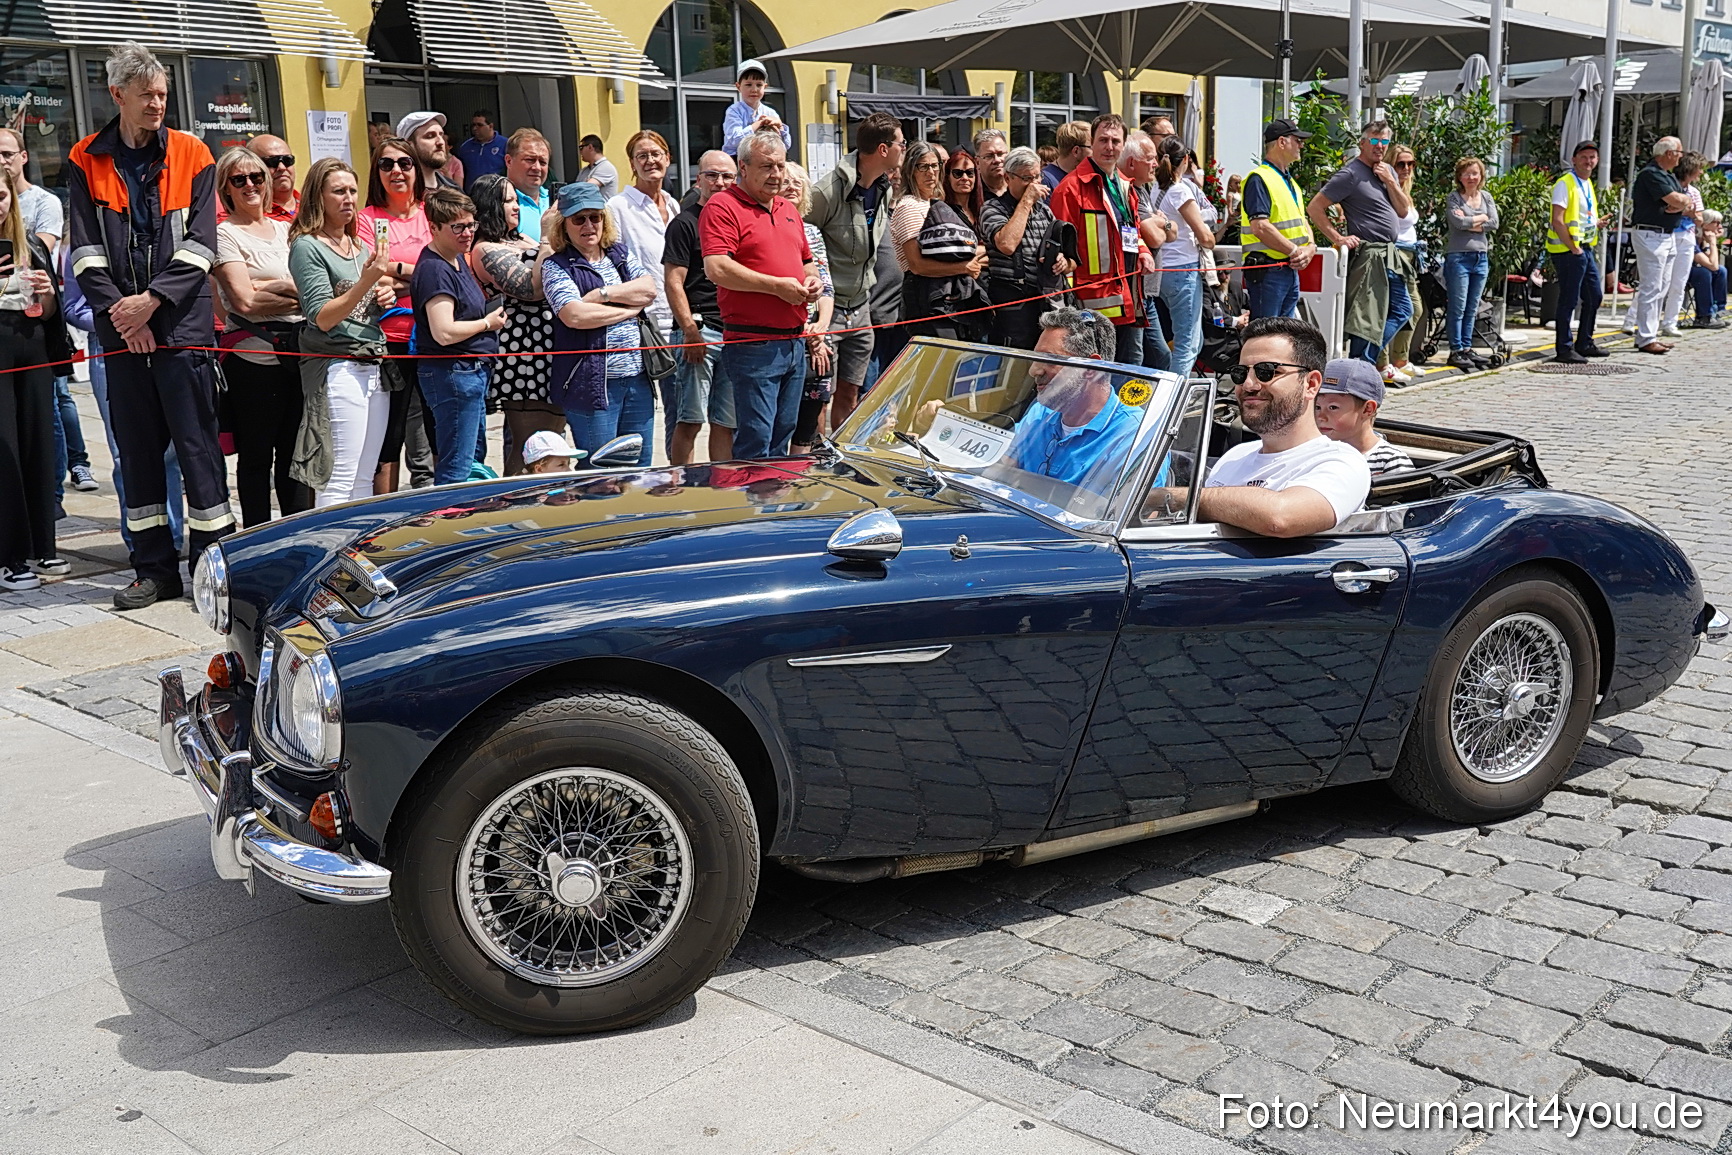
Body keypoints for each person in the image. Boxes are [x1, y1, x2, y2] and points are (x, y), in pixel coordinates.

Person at [68, 41, 233, 610]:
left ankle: (213, 568)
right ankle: (153, 570)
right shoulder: (84, 157)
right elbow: (84, 251)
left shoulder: (194, 152)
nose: (158, 104)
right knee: (137, 456)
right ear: (117, 95)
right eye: (146, 96)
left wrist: (151, 303)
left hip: (183, 328)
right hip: (123, 333)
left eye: (162, 94)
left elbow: (202, 244)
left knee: (198, 451)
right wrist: (125, 315)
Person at [1148, 316, 1369, 537]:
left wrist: (1172, 498)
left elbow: (1281, 518)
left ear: (1310, 384)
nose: (1248, 385)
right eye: (1240, 373)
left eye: (1267, 372)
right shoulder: (1234, 456)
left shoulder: (1342, 462)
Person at [701, 131, 821, 459]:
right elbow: (717, 267)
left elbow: (807, 263)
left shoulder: (787, 208)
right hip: (753, 343)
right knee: (757, 438)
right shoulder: (722, 205)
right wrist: (777, 287)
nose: (776, 174)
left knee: (783, 434)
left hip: (794, 341)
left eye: (780, 166)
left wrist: (812, 283)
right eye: (767, 166)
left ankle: (775, 491)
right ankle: (753, 493)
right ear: (743, 167)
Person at [289, 157, 397, 508]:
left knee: (365, 477)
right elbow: (321, 316)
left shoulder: (359, 246)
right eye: (338, 191)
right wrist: (368, 281)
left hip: (373, 362)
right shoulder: (307, 246)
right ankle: (330, 542)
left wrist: (383, 296)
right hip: (337, 365)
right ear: (317, 197)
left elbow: (361, 305)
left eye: (352, 190)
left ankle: (356, 542)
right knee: (338, 479)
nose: (349, 198)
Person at [212, 146, 311, 526]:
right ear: (226, 188)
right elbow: (243, 301)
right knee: (256, 458)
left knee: (295, 457)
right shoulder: (224, 234)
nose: (250, 185)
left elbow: (315, 286)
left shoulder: (287, 229)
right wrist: (292, 289)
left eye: (256, 177)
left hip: (298, 356)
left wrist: (269, 287)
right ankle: (255, 538)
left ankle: (296, 534)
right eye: (239, 180)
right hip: (252, 361)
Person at [541, 181, 658, 466]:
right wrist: (628, 311)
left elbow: (648, 290)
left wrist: (603, 295)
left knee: (640, 468)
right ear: (563, 225)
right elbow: (574, 315)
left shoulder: (620, 253)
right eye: (579, 219)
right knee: (600, 472)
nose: (589, 225)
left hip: (637, 379)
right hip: (590, 385)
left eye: (595, 217)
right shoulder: (556, 265)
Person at [807, 112, 902, 432]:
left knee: (851, 392)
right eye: (901, 143)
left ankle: (841, 452)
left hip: (861, 307)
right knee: (820, 395)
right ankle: (816, 453)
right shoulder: (827, 192)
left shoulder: (884, 187)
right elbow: (801, 244)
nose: (904, 149)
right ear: (883, 149)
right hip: (829, 309)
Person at [0, 167, 67, 589]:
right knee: (4, 450)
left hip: (33, 350)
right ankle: (10, 556)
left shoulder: (31, 245)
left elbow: (48, 313)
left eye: (2, 196)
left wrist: (46, 291)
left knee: (38, 447)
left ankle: (44, 545)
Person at [358, 136, 436, 493]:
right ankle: (384, 511)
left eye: (405, 163)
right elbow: (371, 274)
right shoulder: (367, 219)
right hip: (390, 339)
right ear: (376, 172)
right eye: (386, 164)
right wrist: (423, 277)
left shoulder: (431, 214)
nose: (396, 171)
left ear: (416, 169)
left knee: (437, 428)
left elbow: (450, 267)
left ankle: (443, 508)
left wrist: (399, 271)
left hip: (435, 334)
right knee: (390, 433)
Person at [470, 173, 561, 475]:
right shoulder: (485, 249)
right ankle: (514, 501)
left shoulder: (523, 240)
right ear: (490, 206)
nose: (517, 206)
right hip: (524, 353)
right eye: (508, 200)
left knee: (553, 446)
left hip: (552, 347)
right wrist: (546, 235)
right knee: (529, 445)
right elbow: (531, 288)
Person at [412, 187, 504, 484]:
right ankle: (450, 512)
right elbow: (443, 331)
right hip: (453, 372)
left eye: (471, 225)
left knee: (471, 461)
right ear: (434, 227)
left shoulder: (455, 258)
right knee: (457, 466)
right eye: (458, 227)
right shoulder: (435, 268)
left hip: (468, 371)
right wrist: (487, 324)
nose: (467, 233)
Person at [1308, 120, 1413, 366]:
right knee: (1366, 317)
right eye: (1374, 140)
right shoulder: (1350, 174)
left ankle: (1362, 363)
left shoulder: (1387, 171)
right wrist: (1338, 238)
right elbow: (1315, 207)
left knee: (1402, 310)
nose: (1379, 146)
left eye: (1384, 141)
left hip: (1390, 254)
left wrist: (1390, 181)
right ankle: (1359, 364)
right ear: (1362, 143)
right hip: (1370, 255)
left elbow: (1402, 210)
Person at [1003, 306, 1141, 492]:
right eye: (1036, 358)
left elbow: (1138, 507)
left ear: (1091, 368)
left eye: (1049, 359)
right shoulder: (1041, 412)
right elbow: (1001, 465)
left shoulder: (1133, 436)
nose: (1034, 371)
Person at [1051, 114, 1153, 365]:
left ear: (1123, 145)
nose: (1109, 147)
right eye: (1103, 140)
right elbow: (1061, 250)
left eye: (1115, 141)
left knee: (1132, 370)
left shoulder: (1125, 185)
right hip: (1091, 309)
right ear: (1092, 143)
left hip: (1128, 298)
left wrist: (1143, 251)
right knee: (1096, 377)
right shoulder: (1070, 188)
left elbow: (1132, 230)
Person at [663, 150, 738, 464]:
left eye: (727, 176)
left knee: (726, 423)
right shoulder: (684, 223)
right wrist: (690, 331)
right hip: (699, 331)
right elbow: (673, 282)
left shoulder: (737, 220)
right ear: (699, 179)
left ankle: (723, 483)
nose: (719, 182)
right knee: (690, 420)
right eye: (712, 175)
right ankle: (684, 484)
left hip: (734, 333)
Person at [608, 129, 682, 445]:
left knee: (680, 414)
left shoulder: (674, 205)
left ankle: (677, 473)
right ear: (632, 164)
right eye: (642, 156)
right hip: (641, 325)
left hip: (677, 321)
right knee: (640, 417)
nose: (650, 161)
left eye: (656, 154)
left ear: (668, 158)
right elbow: (612, 264)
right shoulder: (618, 207)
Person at [892, 140, 989, 344]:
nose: (930, 173)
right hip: (924, 296)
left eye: (934, 166)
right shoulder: (908, 206)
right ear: (911, 170)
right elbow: (917, 265)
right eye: (923, 167)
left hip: (950, 294)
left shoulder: (935, 204)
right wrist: (962, 268)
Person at [981, 146, 1073, 350]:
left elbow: (1071, 259)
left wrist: (1062, 261)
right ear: (1007, 178)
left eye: (1037, 177)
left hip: (1047, 304)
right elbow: (1006, 244)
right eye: (1026, 179)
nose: (1034, 184)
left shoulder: (1045, 212)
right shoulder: (992, 208)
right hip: (1013, 309)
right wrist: (1027, 201)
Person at [783, 162, 836, 455]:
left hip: (817, 333)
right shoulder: (770, 228)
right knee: (781, 421)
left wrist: (821, 328)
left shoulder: (813, 232)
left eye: (798, 183)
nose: (792, 187)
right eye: (786, 182)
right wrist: (808, 333)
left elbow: (825, 286)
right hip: (788, 332)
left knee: (809, 422)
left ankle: (800, 473)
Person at [1150, 135, 1214, 381]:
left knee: (1191, 341)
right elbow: (1205, 237)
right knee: (1186, 344)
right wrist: (1210, 238)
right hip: (1183, 270)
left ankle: (1173, 388)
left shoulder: (1154, 188)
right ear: (1186, 160)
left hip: (1162, 270)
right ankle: (1174, 397)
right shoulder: (1180, 191)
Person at [1241, 118, 1316, 320]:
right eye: (1297, 140)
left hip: (1285, 268)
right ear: (1282, 142)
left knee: (1282, 331)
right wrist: (1295, 251)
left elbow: (1302, 220)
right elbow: (1260, 227)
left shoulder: (1289, 182)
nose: (1301, 145)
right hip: (1268, 270)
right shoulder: (1259, 178)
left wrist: (1310, 247)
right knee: (1267, 331)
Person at [1548, 141, 1610, 364]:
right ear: (1574, 160)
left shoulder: (1586, 183)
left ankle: (1584, 341)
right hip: (1568, 250)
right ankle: (1564, 348)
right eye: (1584, 157)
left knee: (1594, 296)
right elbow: (1557, 220)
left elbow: (1581, 216)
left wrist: (1596, 223)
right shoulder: (1565, 183)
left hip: (1583, 248)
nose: (1588, 161)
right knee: (1569, 299)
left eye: (1592, 157)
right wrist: (1573, 248)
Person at [1117, 132, 1173, 372]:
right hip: (1134, 293)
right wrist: (1164, 224)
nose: (1156, 164)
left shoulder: (1142, 190)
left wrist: (1163, 223)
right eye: (1150, 159)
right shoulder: (1126, 190)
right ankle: (1126, 395)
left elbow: (1168, 234)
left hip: (1145, 294)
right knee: (1134, 358)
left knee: (1160, 356)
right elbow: (1155, 237)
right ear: (1132, 163)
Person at [1631, 136, 1691, 355]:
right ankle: (1645, 337)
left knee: (1662, 287)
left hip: (1666, 234)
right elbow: (1676, 200)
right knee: (1651, 287)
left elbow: (1686, 201)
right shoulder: (1651, 174)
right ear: (1669, 153)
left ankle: (1650, 334)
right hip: (1651, 234)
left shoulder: (1668, 175)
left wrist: (1681, 202)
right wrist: (1679, 202)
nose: (1681, 157)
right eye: (1679, 153)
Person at [1312, 358, 1413, 475]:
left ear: (1367, 409)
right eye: (1317, 407)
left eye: (1333, 407)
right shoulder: (1314, 453)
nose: (1321, 417)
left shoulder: (1391, 463)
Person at [1444, 156, 1499, 371]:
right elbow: (1458, 223)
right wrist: (1481, 218)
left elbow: (1494, 222)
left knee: (1472, 307)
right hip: (1459, 257)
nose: (1471, 177)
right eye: (1466, 173)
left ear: (1481, 175)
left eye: (1475, 173)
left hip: (1480, 257)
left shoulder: (1486, 197)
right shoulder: (1454, 198)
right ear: (1459, 176)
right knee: (1457, 306)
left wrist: (1471, 222)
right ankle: (1456, 349)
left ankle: (1466, 347)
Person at [1379, 144, 1422, 385]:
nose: (1406, 168)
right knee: (1394, 310)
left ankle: (1400, 359)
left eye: (1410, 164)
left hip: (1410, 254)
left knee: (1414, 309)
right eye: (1401, 164)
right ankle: (1381, 362)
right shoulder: (1388, 188)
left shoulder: (1404, 188)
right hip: (1395, 253)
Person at [1662, 150, 1707, 340]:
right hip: (1668, 234)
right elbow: (1667, 209)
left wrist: (1691, 214)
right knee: (1658, 281)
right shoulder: (1669, 186)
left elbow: (1700, 219)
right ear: (1691, 169)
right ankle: (1633, 319)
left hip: (1686, 237)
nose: (1701, 173)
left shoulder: (1694, 192)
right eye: (1699, 169)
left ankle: (1670, 323)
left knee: (1679, 283)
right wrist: (1684, 211)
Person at [723, 59, 791, 157]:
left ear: (765, 87)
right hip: (737, 158)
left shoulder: (771, 112)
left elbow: (785, 146)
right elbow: (734, 140)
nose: (754, 89)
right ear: (738, 86)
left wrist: (780, 127)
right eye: (748, 85)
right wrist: (759, 124)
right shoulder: (734, 110)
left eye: (759, 85)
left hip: (763, 157)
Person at [506, 128, 553, 243]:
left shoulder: (556, 201)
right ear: (509, 161)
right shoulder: (498, 203)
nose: (537, 168)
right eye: (530, 160)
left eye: (543, 162)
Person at [397, 111, 459, 191]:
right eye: (430, 136)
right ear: (408, 145)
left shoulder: (454, 190)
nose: (440, 142)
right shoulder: (398, 192)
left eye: (441, 135)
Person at [1688, 209, 1729, 329]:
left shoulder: (1702, 241)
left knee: (1721, 271)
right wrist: (1712, 243)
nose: (1720, 227)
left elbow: (1715, 265)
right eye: (1717, 223)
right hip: (1679, 273)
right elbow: (1712, 265)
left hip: (1693, 271)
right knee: (1704, 273)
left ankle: (1717, 311)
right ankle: (1704, 316)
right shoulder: (1692, 240)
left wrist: (1708, 243)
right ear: (1705, 225)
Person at [245, 134, 299, 221]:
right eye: (272, 161)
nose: (282, 167)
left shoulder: (314, 204)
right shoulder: (246, 217)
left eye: (287, 160)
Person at [457, 111, 507, 185]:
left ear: (491, 126)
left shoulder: (505, 144)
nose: (475, 128)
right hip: (472, 190)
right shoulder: (465, 147)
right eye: (473, 125)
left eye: (479, 125)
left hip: (497, 189)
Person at [943, 147, 984, 232]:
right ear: (948, 177)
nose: (965, 178)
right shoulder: (942, 212)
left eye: (970, 173)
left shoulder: (981, 210)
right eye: (958, 173)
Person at [1042, 121, 1089, 191]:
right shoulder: (1045, 181)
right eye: (1093, 147)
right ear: (1076, 151)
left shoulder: (1086, 177)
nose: (1097, 151)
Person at [575, 135, 620, 199]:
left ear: (590, 147)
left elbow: (586, 189)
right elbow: (574, 190)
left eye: (581, 147)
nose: (580, 152)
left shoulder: (605, 167)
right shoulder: (584, 170)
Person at [973, 129, 1010, 200]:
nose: (997, 160)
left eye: (1000, 154)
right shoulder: (972, 195)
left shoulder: (1019, 186)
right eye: (989, 156)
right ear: (977, 162)